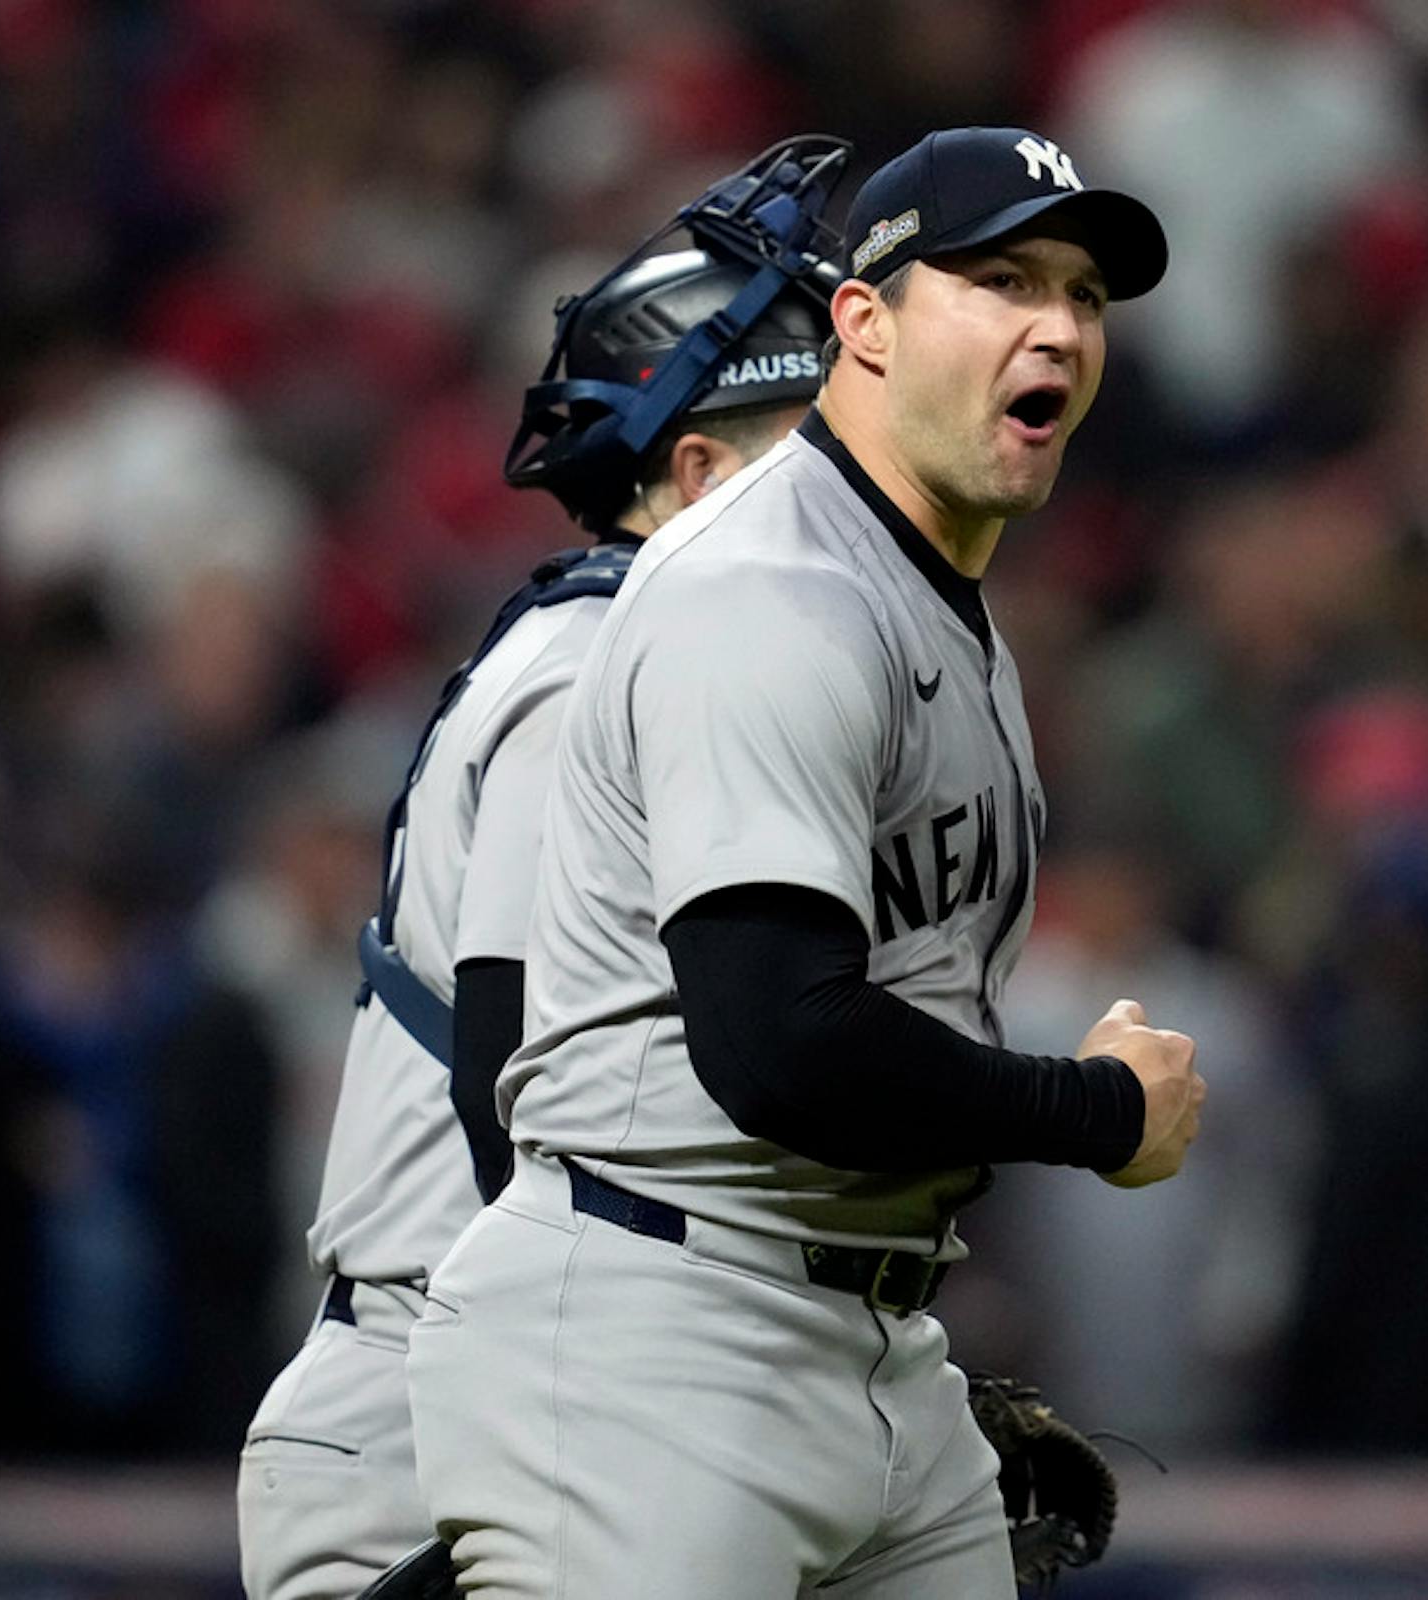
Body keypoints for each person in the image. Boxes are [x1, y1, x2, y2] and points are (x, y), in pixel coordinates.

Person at [406, 125, 1202, 1597]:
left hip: (858, 1327)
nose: (1059, 326)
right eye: (1004, 278)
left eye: (1085, 296)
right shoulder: (769, 588)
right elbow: (779, 1043)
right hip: (658, 1319)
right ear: (864, 322)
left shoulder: (937, 601)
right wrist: (1095, 1112)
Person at [236, 138, 851, 1600]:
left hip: (599, 1390)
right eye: (818, 441)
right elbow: (506, 1083)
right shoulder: (587, 672)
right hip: (442, 1419)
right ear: (694, 472)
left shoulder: (739, 688)